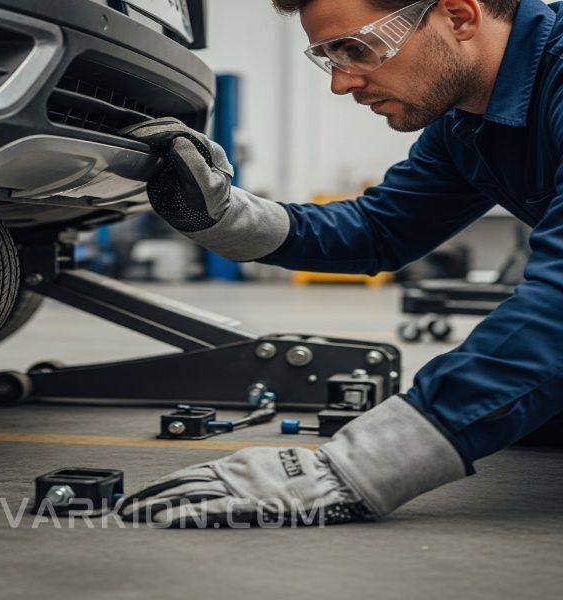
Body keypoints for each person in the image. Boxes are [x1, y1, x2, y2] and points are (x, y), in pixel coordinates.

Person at [115, 0, 563, 528]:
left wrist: (362, 465)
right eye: (329, 59)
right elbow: (380, 228)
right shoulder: (466, 123)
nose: (341, 83)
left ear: (460, 16)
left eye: (357, 49)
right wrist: (225, 215)